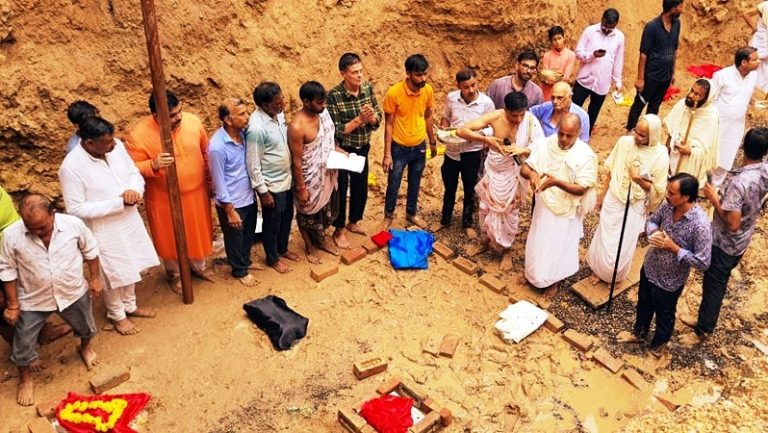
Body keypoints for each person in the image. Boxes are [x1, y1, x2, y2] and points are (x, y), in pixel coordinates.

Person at [59, 117, 160, 336]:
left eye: (112, 140)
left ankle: (130, 305)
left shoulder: (117, 147)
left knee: (132, 263)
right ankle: (117, 315)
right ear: (88, 143)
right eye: (107, 142)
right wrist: (118, 202)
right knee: (113, 272)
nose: (113, 145)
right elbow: (75, 209)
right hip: (104, 229)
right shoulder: (71, 168)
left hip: (129, 218)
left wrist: (135, 191)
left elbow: (133, 173)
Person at [0, 195, 102, 406]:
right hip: (33, 299)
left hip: (72, 291)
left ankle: (84, 348)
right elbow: (7, 270)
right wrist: (13, 304)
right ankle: (26, 378)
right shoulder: (11, 236)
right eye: (32, 228)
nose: (38, 233)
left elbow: (91, 252)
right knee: (23, 343)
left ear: (52, 214)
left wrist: (94, 279)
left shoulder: (73, 225)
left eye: (43, 227)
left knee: (87, 327)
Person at [681, 128, 768, 341]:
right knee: (717, 280)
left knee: (714, 284)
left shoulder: (739, 184)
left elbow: (732, 223)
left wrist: (713, 198)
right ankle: (705, 321)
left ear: (742, 146)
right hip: (742, 241)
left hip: (725, 243)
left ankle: (704, 328)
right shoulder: (764, 170)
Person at [125, 90, 215, 293]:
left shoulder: (193, 122)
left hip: (196, 195)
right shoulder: (138, 135)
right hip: (163, 199)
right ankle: (175, 274)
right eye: (172, 115)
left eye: (179, 111)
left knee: (196, 232)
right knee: (170, 238)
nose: (179, 117)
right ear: (156, 115)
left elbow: (205, 150)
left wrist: (210, 181)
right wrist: (153, 164)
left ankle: (197, 267)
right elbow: (130, 169)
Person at [618, 173, 712, 356]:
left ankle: (658, 347)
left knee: (665, 315)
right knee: (644, 304)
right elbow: (652, 220)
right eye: (668, 190)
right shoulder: (668, 205)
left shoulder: (700, 225)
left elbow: (703, 262)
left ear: (686, 197)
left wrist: (674, 248)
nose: (667, 195)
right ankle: (639, 333)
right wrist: (653, 232)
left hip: (670, 281)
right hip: (650, 268)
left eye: (672, 192)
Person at [457, 92, 544, 270]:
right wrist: (485, 139)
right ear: (506, 110)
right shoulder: (495, 116)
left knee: (509, 213)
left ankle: (506, 250)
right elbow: (461, 131)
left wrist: (522, 149)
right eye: (514, 115)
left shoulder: (530, 121)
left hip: (513, 173)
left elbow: (542, 147)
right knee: (485, 209)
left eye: (521, 114)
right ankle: (485, 242)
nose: (518, 119)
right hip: (493, 169)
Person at [521, 114, 597, 297]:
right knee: (538, 241)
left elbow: (581, 188)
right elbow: (525, 167)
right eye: (560, 133)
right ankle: (533, 275)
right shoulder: (545, 144)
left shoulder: (585, 155)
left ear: (578, 133)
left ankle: (553, 280)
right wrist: (532, 175)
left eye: (569, 135)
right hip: (544, 205)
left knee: (558, 245)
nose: (563, 139)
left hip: (565, 210)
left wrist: (556, 183)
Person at [586, 114, 669, 284]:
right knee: (605, 235)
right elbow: (611, 171)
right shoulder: (624, 143)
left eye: (642, 135)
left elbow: (658, 191)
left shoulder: (661, 155)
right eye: (635, 132)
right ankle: (599, 270)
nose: (636, 137)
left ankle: (614, 275)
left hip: (635, 203)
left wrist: (638, 179)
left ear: (652, 135)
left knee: (624, 242)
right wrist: (602, 195)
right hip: (615, 196)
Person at [1, 187, 72, 347]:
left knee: (28, 294)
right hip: (6, 254)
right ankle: (24, 350)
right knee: (4, 309)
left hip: (17, 248)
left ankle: (43, 332)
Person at [326, 53, 382, 248]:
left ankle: (353, 221)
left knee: (360, 187)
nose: (359, 76)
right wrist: (359, 120)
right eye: (354, 72)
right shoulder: (334, 96)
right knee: (340, 190)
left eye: (361, 71)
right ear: (343, 74)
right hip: (342, 150)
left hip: (362, 147)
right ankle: (338, 229)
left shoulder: (367, 88)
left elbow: (377, 119)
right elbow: (335, 130)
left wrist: (372, 118)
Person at [246, 82, 300, 273]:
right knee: (272, 224)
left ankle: (282, 249)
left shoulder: (278, 115)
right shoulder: (256, 128)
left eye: (282, 99)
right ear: (264, 105)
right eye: (278, 102)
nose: (282, 104)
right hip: (272, 185)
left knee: (287, 218)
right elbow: (253, 163)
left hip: (286, 180)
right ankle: (272, 258)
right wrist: (263, 192)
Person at [437, 68, 495, 238]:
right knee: (449, 186)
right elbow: (445, 117)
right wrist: (444, 129)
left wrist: (478, 136)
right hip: (452, 151)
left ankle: (467, 223)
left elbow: (492, 127)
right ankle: (445, 220)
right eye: (466, 87)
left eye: (473, 85)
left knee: (470, 188)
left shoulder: (486, 103)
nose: (471, 90)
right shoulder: (451, 98)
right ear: (459, 86)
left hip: (472, 152)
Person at [382, 54, 437, 229]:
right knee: (394, 183)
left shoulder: (427, 90)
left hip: (420, 146)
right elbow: (388, 125)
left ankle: (411, 213)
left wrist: (433, 141)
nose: (423, 78)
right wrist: (387, 154)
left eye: (424, 74)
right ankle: (388, 216)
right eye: (418, 75)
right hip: (399, 148)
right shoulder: (394, 93)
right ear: (408, 73)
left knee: (415, 182)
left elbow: (428, 116)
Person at [289, 81, 341, 264]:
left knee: (326, 210)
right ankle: (309, 246)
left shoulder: (323, 113)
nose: (324, 105)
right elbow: (297, 160)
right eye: (319, 102)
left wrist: (342, 154)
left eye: (324, 101)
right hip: (309, 178)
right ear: (306, 101)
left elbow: (328, 140)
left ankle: (321, 240)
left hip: (327, 174)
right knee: (306, 213)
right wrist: (301, 187)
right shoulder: (297, 126)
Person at [208, 98, 259, 286]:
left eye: (247, 112)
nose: (247, 117)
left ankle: (244, 262)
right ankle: (239, 271)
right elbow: (219, 181)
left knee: (247, 235)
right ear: (228, 120)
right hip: (232, 202)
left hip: (248, 197)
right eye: (242, 114)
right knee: (234, 239)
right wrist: (229, 210)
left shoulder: (244, 135)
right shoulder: (217, 147)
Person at [626, 0, 684, 131]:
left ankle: (647, 131)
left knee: (655, 105)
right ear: (673, 8)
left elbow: (675, 49)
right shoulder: (652, 27)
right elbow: (643, 54)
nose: (682, 10)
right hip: (651, 75)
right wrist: (640, 78)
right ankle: (630, 130)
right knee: (639, 103)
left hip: (666, 75)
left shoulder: (677, 24)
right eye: (680, 6)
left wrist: (673, 72)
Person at [572, 8, 625, 133]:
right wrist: (592, 55)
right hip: (584, 79)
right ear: (602, 19)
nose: (606, 29)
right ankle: (568, 132)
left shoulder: (620, 37)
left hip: (602, 83)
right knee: (573, 108)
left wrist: (617, 81)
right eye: (605, 26)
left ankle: (585, 136)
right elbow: (578, 53)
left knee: (593, 112)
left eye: (610, 28)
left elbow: (618, 60)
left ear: (616, 24)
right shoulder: (590, 31)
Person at [711, 47, 760, 175]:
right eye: (755, 59)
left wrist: (754, 102)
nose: (759, 62)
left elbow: (746, 94)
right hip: (718, 123)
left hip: (737, 125)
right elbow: (711, 99)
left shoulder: (753, 76)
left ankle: (716, 188)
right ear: (744, 62)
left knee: (727, 155)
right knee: (709, 152)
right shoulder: (722, 76)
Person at [665, 79, 719, 188]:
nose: (691, 95)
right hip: (673, 156)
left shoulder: (711, 116)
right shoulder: (682, 105)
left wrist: (690, 151)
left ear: (706, 99)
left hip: (689, 163)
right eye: (692, 91)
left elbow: (706, 149)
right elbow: (671, 132)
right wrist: (666, 156)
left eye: (697, 95)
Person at [540, 26, 577, 102]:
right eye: (554, 39)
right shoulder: (547, 55)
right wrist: (558, 77)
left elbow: (566, 77)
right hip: (546, 91)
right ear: (551, 41)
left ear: (564, 38)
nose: (557, 42)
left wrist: (552, 77)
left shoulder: (571, 55)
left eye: (559, 38)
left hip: (561, 90)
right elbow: (545, 77)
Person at [744, 2, 768, 92]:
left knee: (751, 67)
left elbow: (746, 14)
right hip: (765, 46)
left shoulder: (765, 5)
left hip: (757, 42)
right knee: (764, 71)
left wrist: (754, 28)